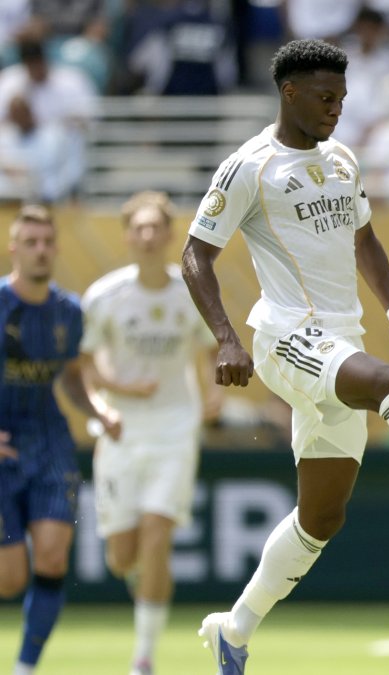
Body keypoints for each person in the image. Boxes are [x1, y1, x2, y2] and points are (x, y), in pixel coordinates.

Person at [180, 39, 389, 674]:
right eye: (325, 96)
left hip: (342, 337)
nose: (337, 108)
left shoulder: (342, 160)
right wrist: (226, 338)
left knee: (321, 519)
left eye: (342, 96)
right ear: (290, 93)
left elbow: (365, 238)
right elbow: (196, 254)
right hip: (284, 335)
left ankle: (234, 629)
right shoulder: (249, 166)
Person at [79, 191, 221, 675]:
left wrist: (212, 394)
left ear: (168, 235)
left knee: (158, 533)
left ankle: (144, 658)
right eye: (137, 228)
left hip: (174, 430)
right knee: (122, 556)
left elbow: (207, 353)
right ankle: (146, 579)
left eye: (155, 227)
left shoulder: (191, 292)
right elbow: (86, 363)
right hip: (119, 430)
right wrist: (115, 389)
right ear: (127, 236)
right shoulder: (104, 295)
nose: (146, 235)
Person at [0, 205, 120, 675]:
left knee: (51, 554)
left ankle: (25, 668)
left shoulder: (69, 311)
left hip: (49, 441)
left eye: (48, 242)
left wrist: (101, 410)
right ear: (14, 249)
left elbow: (72, 379)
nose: (41, 250)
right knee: (10, 580)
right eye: (30, 242)